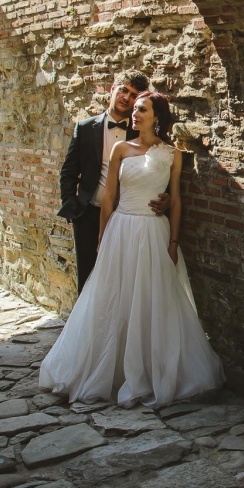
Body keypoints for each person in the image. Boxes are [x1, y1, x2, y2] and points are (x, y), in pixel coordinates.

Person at [39, 90, 224, 408]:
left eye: (142, 110)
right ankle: (105, 368)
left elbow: (176, 200)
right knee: (113, 297)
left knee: (154, 299)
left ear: (157, 116)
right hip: (122, 229)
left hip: (153, 232)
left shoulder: (172, 154)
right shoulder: (121, 149)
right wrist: (102, 238)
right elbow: (109, 197)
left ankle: (152, 371)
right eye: (135, 109)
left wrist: (173, 242)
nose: (135, 114)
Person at [58, 71, 168, 293]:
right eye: (123, 90)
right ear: (112, 89)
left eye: (133, 95)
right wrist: (72, 207)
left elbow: (159, 168)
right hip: (88, 213)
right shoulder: (85, 128)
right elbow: (68, 172)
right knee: (88, 278)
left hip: (126, 218)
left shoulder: (141, 131)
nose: (126, 97)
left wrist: (165, 199)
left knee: (123, 279)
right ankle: (89, 327)